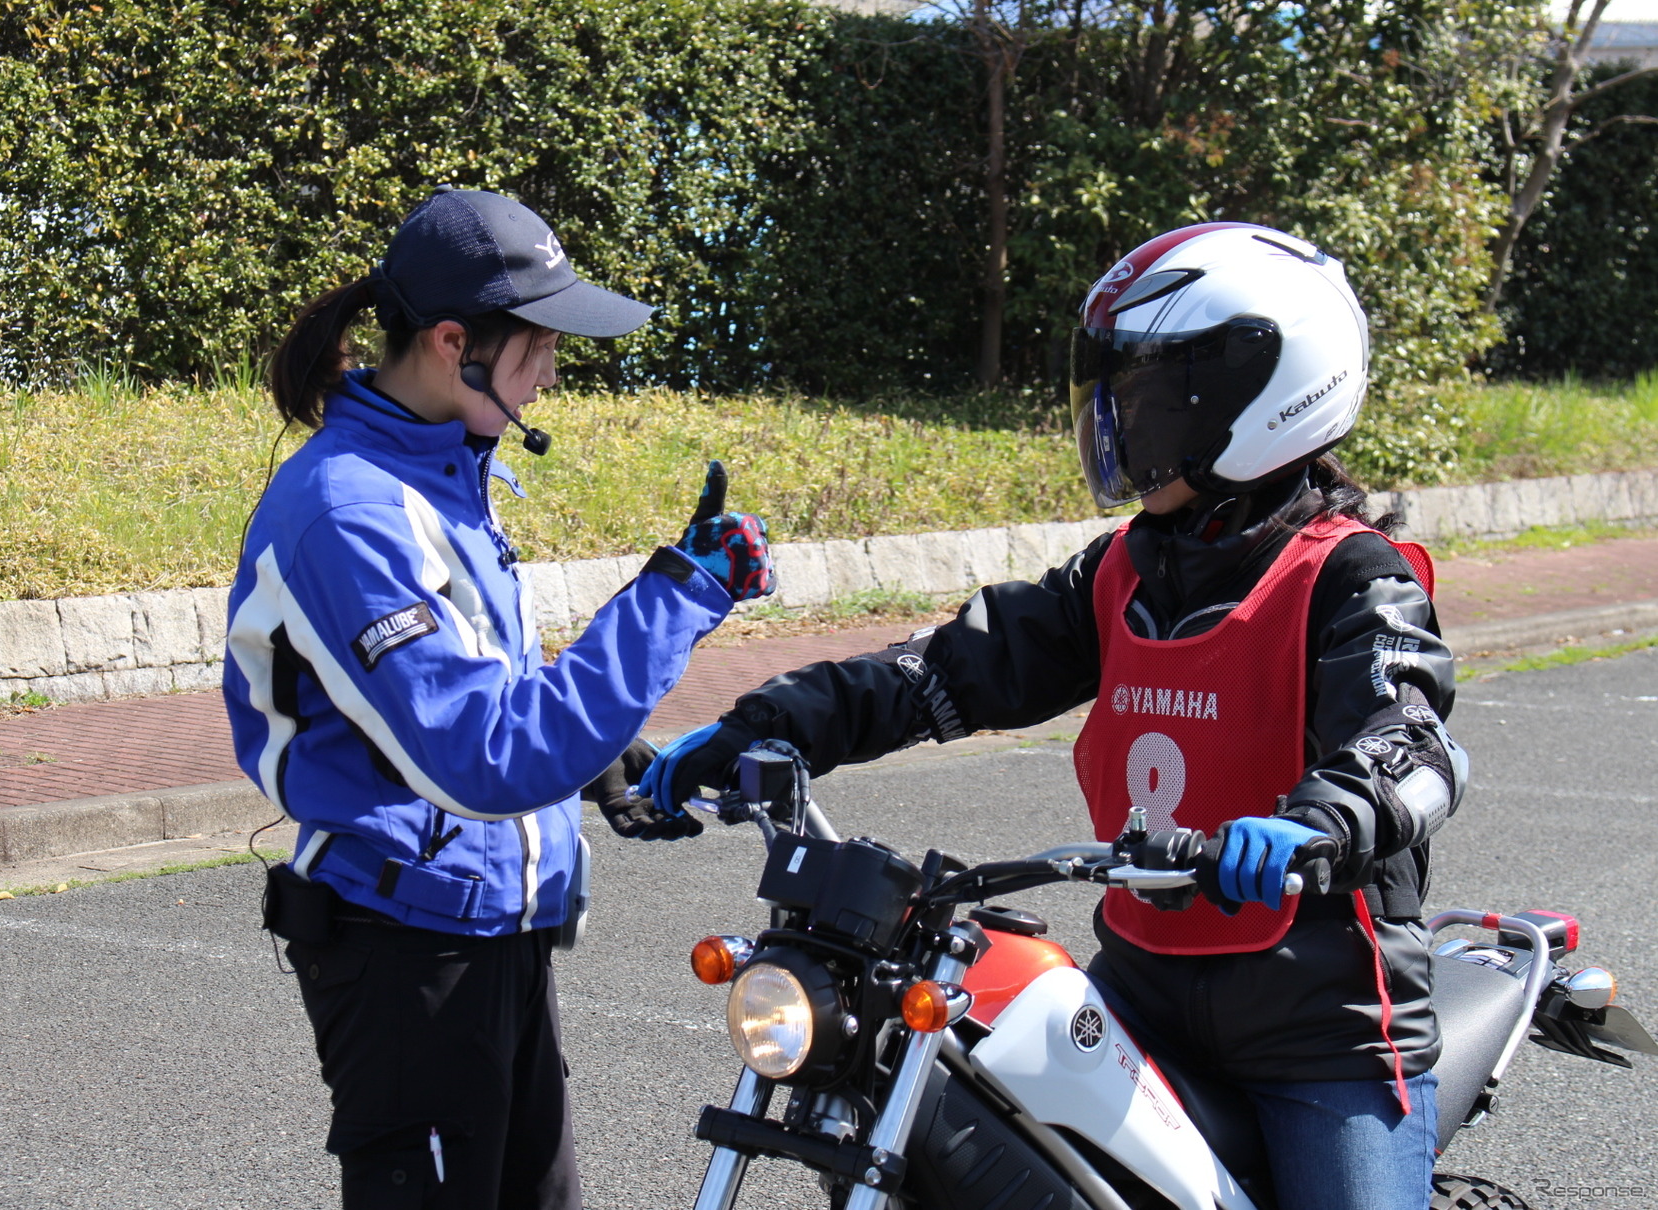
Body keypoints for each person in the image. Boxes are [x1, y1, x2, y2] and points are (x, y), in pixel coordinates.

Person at [640, 222, 1466, 1210]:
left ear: (1265, 391)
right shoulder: (1124, 570)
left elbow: (1413, 742)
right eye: (1117, 399)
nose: (1122, 424)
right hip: (1145, 993)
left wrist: (1318, 820)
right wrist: (771, 721)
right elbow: (946, 669)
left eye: (1152, 400)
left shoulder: (1350, 576)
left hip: (1320, 1026)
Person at [223, 187, 774, 1209]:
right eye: (538, 346)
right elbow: (479, 751)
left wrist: (604, 762)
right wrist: (676, 596)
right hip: (404, 955)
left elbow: (478, 683)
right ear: (449, 343)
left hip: (494, 934)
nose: (552, 371)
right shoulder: (346, 509)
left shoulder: (445, 469)